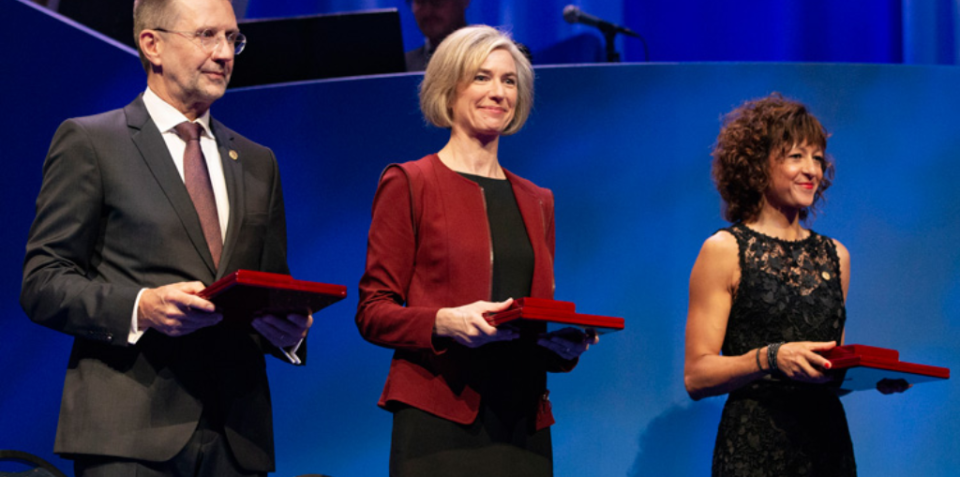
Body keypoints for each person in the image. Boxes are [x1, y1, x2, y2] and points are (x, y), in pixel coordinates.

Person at [20, 0, 311, 475]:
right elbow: (43, 283)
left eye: (232, 39)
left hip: (237, 438)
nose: (225, 54)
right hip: (130, 435)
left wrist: (288, 332)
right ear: (152, 45)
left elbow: (269, 284)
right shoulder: (92, 143)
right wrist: (141, 307)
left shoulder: (259, 161)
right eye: (206, 36)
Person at [357, 25, 596, 477]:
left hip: (523, 424)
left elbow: (529, 317)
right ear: (449, 89)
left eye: (509, 81)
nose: (498, 92)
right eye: (482, 78)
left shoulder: (538, 200)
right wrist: (444, 321)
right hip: (439, 420)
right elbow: (372, 312)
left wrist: (562, 345)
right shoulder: (410, 182)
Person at [683, 93, 907, 477]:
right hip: (754, 448)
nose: (812, 170)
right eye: (796, 156)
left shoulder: (836, 256)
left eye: (818, 158)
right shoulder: (724, 250)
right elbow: (696, 375)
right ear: (756, 165)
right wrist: (771, 357)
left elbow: (823, 369)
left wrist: (865, 376)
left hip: (827, 448)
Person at [404, 0, 469, 71]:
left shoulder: (482, 56)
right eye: (420, 2)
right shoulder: (403, 67)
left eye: (437, 2)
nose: (427, 12)